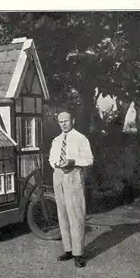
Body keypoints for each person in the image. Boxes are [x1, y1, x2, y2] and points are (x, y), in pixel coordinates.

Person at [49, 110, 93, 267]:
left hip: (74, 175)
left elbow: (89, 159)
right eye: (60, 121)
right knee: (62, 213)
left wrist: (73, 161)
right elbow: (51, 158)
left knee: (76, 214)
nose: (63, 124)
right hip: (59, 176)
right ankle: (68, 249)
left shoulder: (80, 138)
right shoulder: (56, 140)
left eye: (66, 121)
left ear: (73, 120)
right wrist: (56, 164)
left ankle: (78, 254)